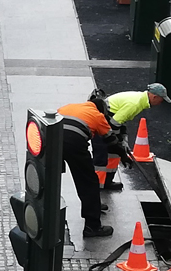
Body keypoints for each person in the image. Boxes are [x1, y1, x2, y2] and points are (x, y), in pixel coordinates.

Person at [57, 99, 133, 238]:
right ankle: (92, 227)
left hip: (52, 139)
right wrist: (124, 156)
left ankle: (47, 218)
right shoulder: (98, 116)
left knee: (51, 179)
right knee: (88, 183)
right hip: (75, 143)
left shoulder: (68, 106)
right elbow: (112, 143)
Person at [91, 83, 171, 191]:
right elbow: (114, 123)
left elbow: (121, 121)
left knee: (114, 155)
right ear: (154, 97)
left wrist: (123, 139)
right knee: (101, 158)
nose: (160, 103)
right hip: (99, 122)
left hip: (108, 121)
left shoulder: (140, 100)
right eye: (161, 100)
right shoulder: (135, 103)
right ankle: (97, 188)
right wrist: (118, 142)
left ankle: (107, 182)